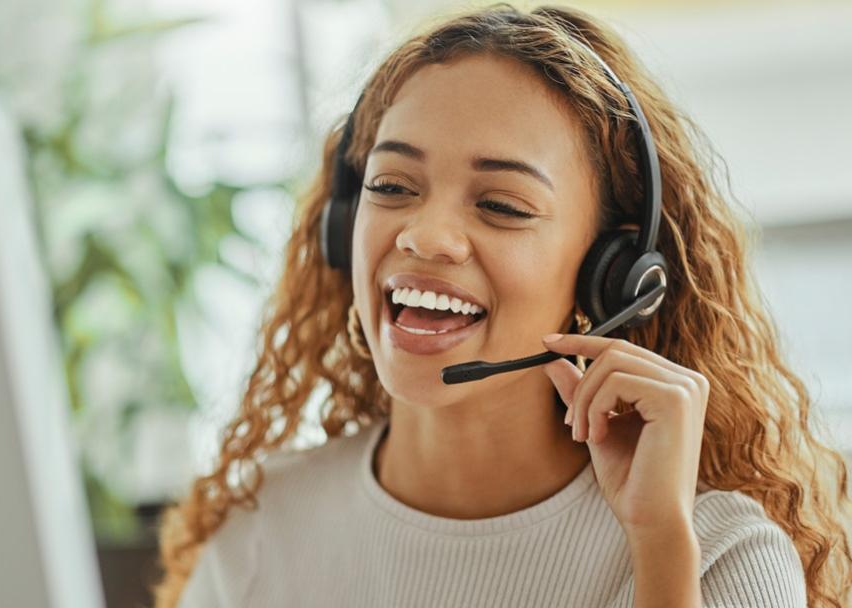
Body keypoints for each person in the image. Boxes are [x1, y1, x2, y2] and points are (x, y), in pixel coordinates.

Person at [153, 4, 851, 607]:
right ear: (343, 229)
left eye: (501, 205)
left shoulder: (716, 552)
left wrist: (658, 545)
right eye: (393, 186)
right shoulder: (261, 533)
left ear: (614, 278)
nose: (424, 234)